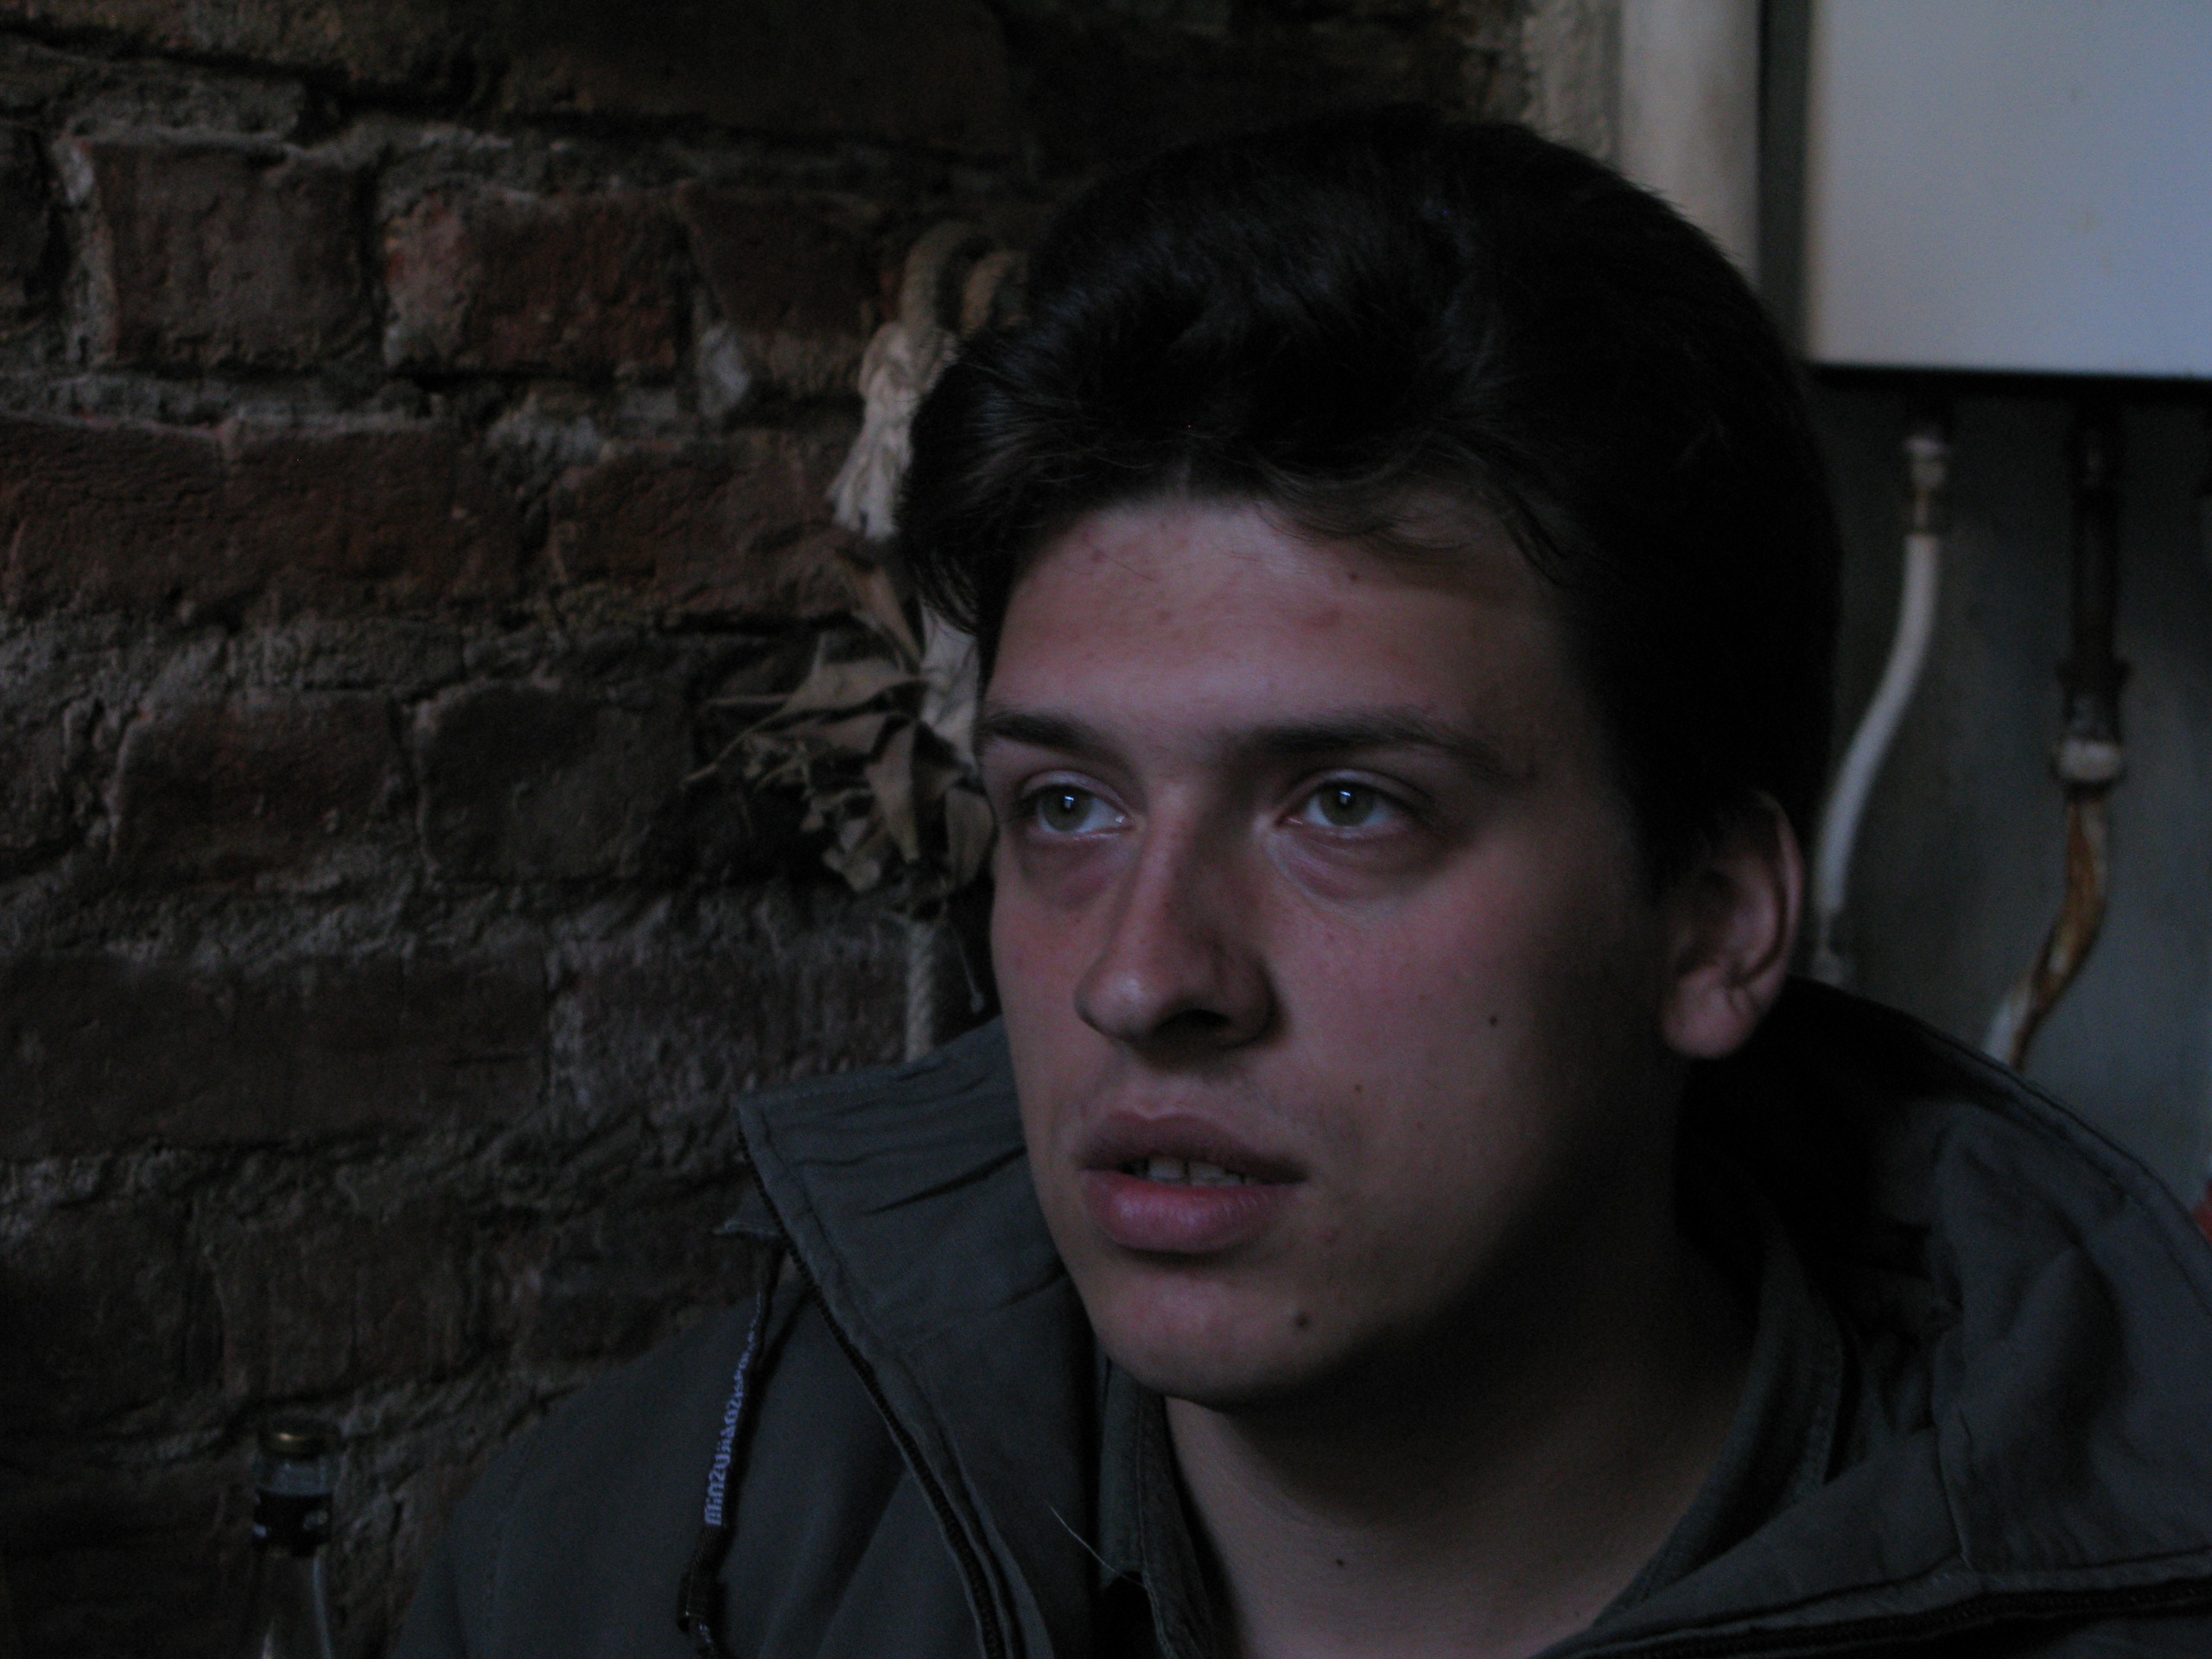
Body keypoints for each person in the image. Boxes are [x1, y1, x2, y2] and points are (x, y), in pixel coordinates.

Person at [394, 109, 2212, 1659]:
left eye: (1345, 803)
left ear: (1715, 920)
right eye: (1066, 806)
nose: (1139, 978)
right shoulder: (641, 1564)